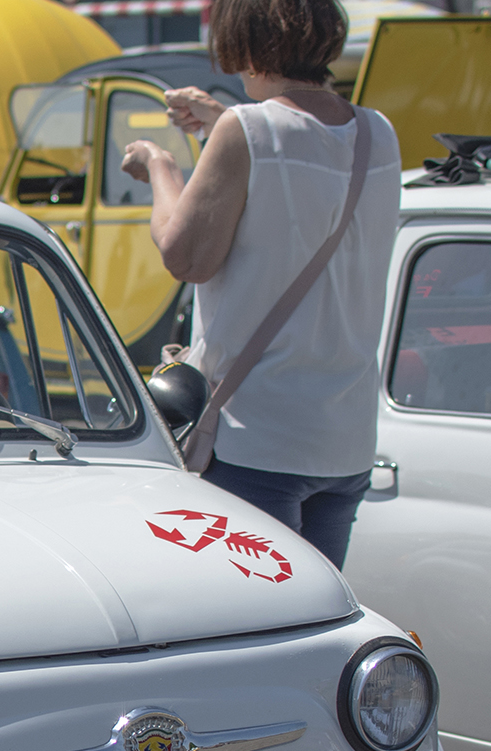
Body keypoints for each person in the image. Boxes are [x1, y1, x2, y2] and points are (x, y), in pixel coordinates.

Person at [118, 0, 400, 570]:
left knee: (249, 625)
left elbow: (185, 254)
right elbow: (301, 151)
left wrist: (159, 166)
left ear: (243, 41)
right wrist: (220, 116)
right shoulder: (377, 132)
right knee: (313, 624)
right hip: (344, 439)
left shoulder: (245, 129)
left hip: (257, 437)